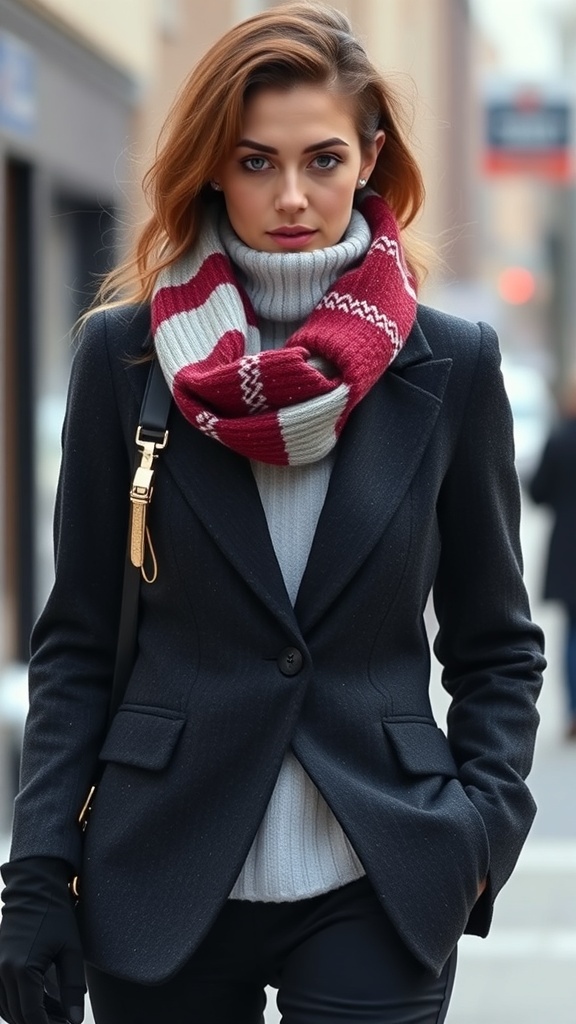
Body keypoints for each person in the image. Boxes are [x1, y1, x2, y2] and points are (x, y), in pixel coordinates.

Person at [0, 4, 545, 1023]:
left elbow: (496, 643)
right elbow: (76, 641)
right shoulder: (124, 360)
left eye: (324, 159)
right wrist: (36, 868)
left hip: (382, 867)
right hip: (158, 865)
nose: (292, 195)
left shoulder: (454, 363)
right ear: (213, 165)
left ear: (371, 157)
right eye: (255, 162)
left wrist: (480, 837)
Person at [529, 372, 576, 740]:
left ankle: (574, 711)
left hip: (568, 551)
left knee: (573, 634)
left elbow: (539, 492)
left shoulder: (559, 438)